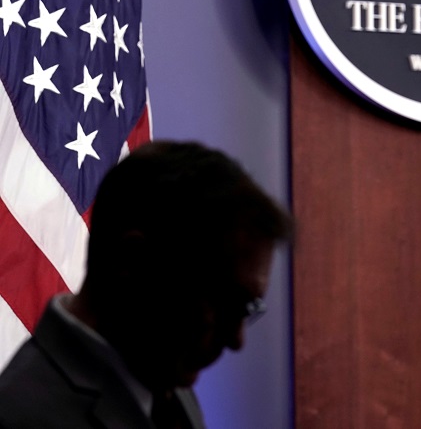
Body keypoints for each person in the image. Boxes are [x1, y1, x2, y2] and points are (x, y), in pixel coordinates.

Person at [0, 140, 293, 429]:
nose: (236, 340)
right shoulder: (21, 416)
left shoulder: (165, 379)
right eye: (222, 301)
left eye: (246, 308)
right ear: (133, 260)